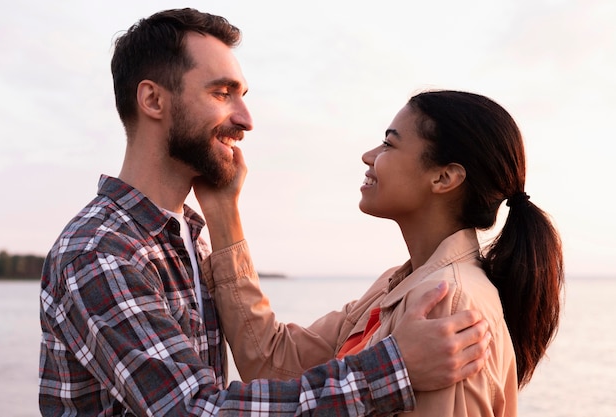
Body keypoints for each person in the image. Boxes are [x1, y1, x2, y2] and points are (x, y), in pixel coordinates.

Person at [38, 9, 491, 416]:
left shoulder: (183, 240)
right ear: (153, 101)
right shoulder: (101, 252)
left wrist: (223, 215)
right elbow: (197, 409)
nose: (246, 118)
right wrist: (394, 370)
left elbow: (270, 361)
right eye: (222, 93)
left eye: (242, 94)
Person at [195, 90, 564, 416]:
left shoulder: (448, 302)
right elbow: (275, 361)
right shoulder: (398, 285)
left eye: (389, 144)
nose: (368, 156)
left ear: (444, 178)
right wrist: (223, 210)